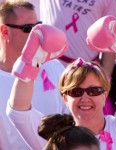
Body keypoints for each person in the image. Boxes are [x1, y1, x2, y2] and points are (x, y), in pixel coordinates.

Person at [7, 15, 116, 149]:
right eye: (76, 92)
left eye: (93, 91)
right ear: (65, 98)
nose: (85, 98)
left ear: (104, 95)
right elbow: (19, 112)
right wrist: (30, 60)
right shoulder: (56, 137)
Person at [0, 1, 69, 149]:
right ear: (5, 31)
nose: (35, 35)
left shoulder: (54, 66)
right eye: (28, 28)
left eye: (37, 27)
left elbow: (70, 117)